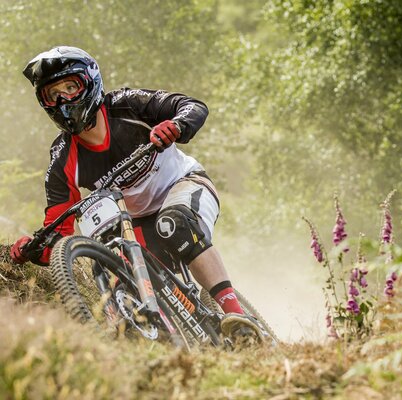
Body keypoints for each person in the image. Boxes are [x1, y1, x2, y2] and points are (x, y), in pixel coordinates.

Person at [9, 46, 262, 343]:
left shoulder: (126, 104)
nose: (64, 100)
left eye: (70, 87)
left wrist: (176, 125)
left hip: (185, 184)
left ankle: (240, 318)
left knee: (173, 223)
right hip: (136, 221)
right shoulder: (62, 158)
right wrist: (34, 249)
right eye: (54, 95)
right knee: (132, 280)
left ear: (90, 83)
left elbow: (192, 106)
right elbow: (58, 226)